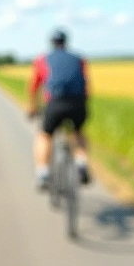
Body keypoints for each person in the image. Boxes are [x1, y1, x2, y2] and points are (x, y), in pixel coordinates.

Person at [27, 28, 91, 190]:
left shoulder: (43, 59)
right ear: (66, 42)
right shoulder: (79, 59)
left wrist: (33, 106)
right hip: (78, 103)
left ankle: (43, 173)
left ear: (52, 43)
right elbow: (86, 84)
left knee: (45, 135)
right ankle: (81, 163)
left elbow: (34, 86)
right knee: (78, 132)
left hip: (55, 103)